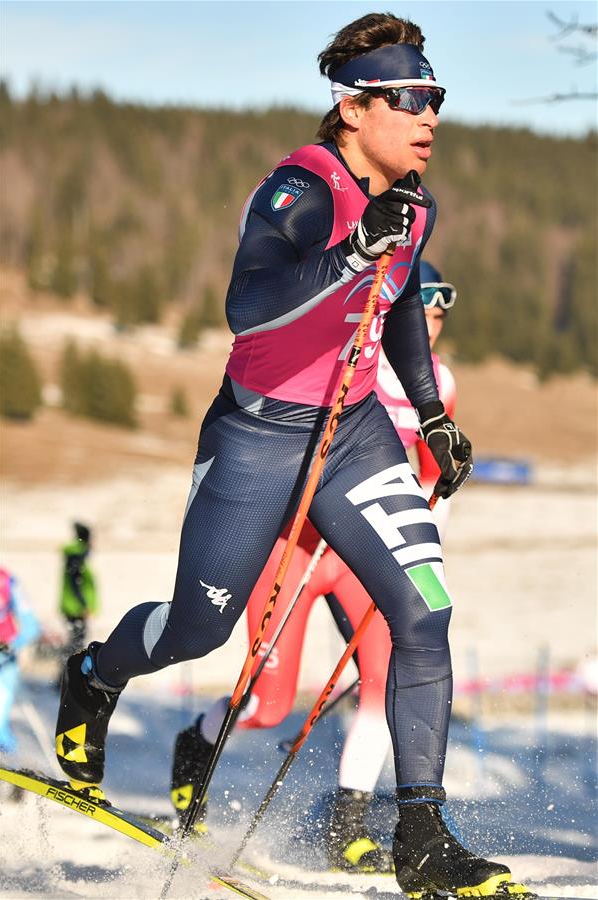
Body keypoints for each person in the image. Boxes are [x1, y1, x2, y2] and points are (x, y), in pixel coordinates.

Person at [55, 13, 525, 895]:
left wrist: (430, 417)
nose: (430, 117)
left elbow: (391, 319)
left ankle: (420, 837)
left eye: (437, 99)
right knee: (201, 628)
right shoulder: (301, 187)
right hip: (258, 435)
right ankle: (95, 674)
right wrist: (352, 249)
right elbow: (248, 304)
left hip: (352, 433)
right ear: (354, 109)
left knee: (422, 613)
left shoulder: (413, 205)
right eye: (411, 99)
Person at [170, 261, 458, 876]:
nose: (431, 323)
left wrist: (424, 543)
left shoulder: (441, 381)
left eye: (438, 315)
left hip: (362, 556)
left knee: (388, 676)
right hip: (296, 548)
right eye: (424, 308)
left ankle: (346, 824)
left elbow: (431, 480)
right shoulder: (350, 361)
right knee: (270, 705)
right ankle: (197, 740)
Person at [0, 566, 40, 753]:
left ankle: (10, 767)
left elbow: (31, 625)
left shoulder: (7, 580)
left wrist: (11, 645)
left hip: (4, 661)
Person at [58, 522, 99, 662]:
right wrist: (84, 605)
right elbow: (76, 583)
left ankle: (65, 675)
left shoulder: (75, 554)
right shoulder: (77, 555)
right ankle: (66, 676)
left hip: (73, 606)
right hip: (75, 607)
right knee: (76, 644)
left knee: (75, 642)